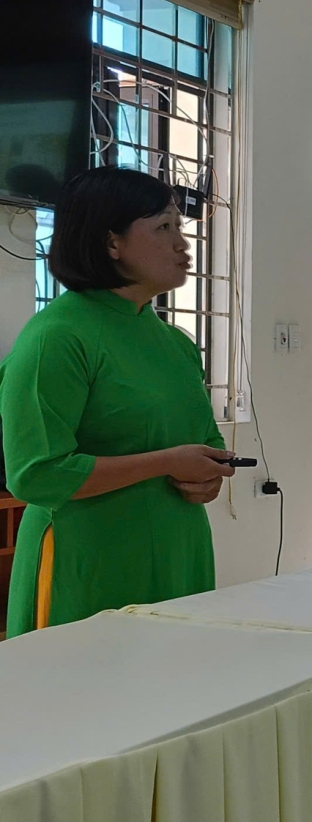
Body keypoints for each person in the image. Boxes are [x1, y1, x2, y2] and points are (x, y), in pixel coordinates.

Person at [0, 168, 236, 637]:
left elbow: (203, 443)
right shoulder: (57, 338)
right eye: (164, 227)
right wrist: (166, 462)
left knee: (177, 676)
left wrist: (209, 477)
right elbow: (37, 474)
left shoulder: (175, 344)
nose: (182, 244)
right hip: (88, 559)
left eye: (180, 227)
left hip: (178, 551)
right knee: (88, 679)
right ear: (112, 243)